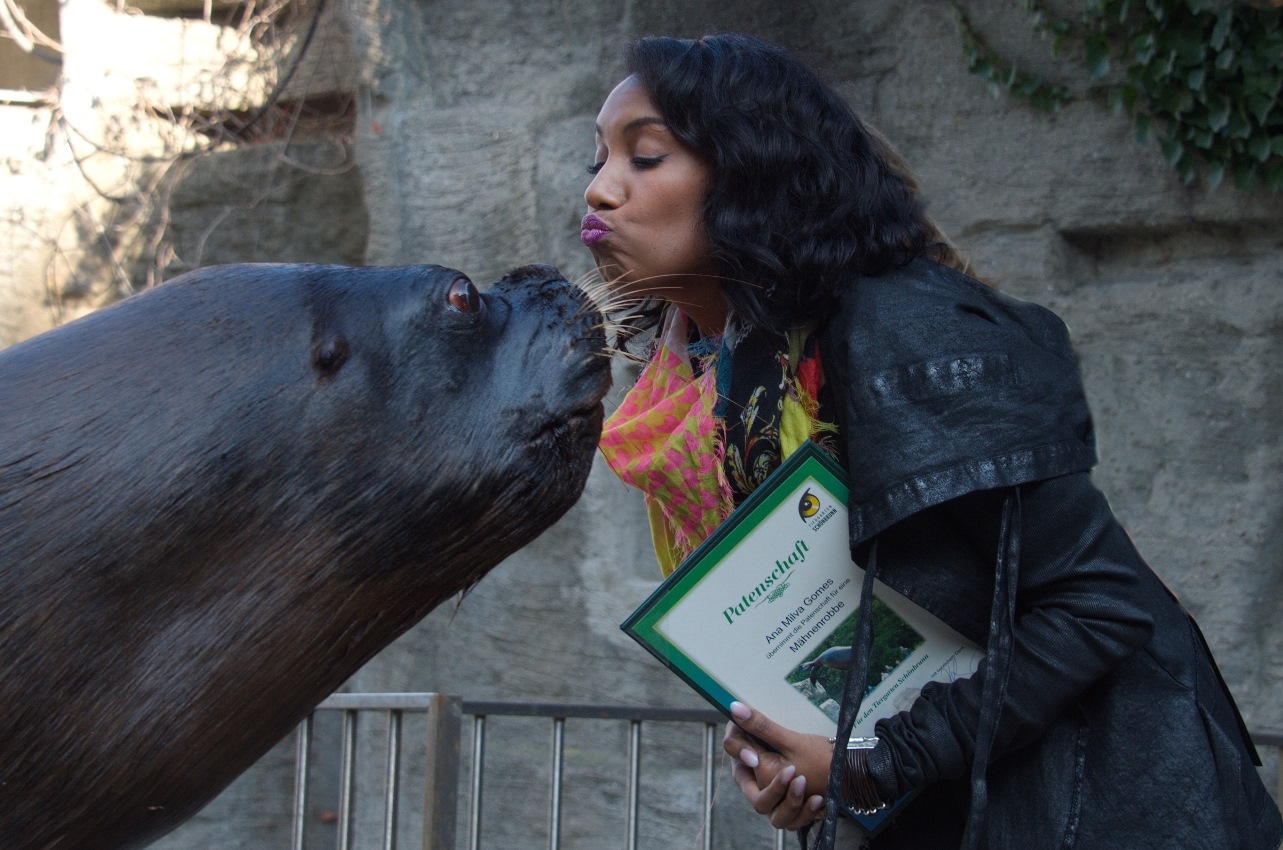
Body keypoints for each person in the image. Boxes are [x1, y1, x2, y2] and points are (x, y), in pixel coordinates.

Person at [585, 32, 1282, 850]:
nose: (599, 191)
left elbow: (1096, 604)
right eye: (595, 159)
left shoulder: (903, 331)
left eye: (647, 157)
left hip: (1106, 811)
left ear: (750, 171)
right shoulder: (732, 375)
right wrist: (797, 758)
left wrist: (872, 761)